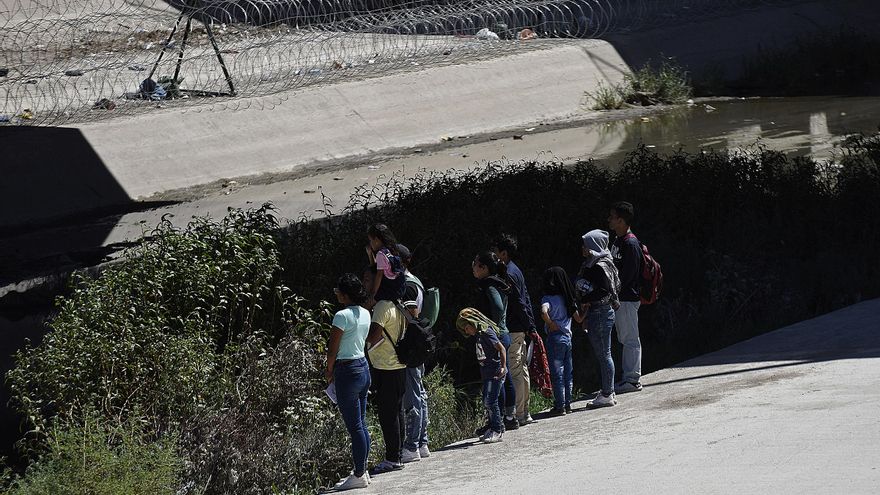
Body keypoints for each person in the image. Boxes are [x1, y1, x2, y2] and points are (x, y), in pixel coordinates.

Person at [325, 274, 372, 491]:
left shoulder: (341, 316)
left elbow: (332, 348)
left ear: (345, 294)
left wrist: (328, 370)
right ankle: (362, 469)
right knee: (361, 424)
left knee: (355, 427)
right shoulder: (365, 313)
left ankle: (359, 474)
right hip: (363, 366)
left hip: (347, 371)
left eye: (338, 292)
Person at [365, 266, 407, 475]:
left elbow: (373, 336)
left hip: (385, 367)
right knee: (396, 410)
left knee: (387, 414)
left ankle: (392, 458)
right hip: (398, 365)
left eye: (369, 281)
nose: (367, 286)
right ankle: (398, 454)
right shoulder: (397, 305)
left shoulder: (382, 306)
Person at [491, 234, 537, 425]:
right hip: (521, 327)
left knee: (515, 370)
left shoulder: (508, 273)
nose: (494, 255)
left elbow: (518, 302)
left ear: (504, 253)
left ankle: (519, 413)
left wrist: (528, 325)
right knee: (521, 369)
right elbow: (525, 299)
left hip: (514, 327)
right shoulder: (515, 270)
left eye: (496, 252)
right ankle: (524, 411)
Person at [471, 251, 518, 431]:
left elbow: (497, 308)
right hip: (504, 334)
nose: (473, 267)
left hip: (495, 336)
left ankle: (497, 422)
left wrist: (488, 326)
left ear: (484, 268)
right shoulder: (499, 282)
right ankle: (509, 417)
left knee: (496, 378)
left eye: (475, 263)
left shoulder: (489, 285)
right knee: (505, 377)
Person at [577, 229, 621, 408]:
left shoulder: (599, 266)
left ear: (593, 246)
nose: (582, 248)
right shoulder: (599, 262)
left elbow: (604, 291)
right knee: (605, 353)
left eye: (585, 245)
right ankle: (608, 389)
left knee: (604, 354)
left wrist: (585, 299)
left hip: (601, 312)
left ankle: (607, 393)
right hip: (602, 312)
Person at [397, 244, 430, 463]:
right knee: (419, 392)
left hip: (411, 346)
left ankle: (412, 445)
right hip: (418, 345)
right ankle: (423, 442)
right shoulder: (416, 280)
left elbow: (412, 312)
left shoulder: (407, 285)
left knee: (412, 396)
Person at [456, 308, 507, 444]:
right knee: (486, 399)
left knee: (491, 401)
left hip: (495, 372)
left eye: (467, 328)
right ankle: (493, 426)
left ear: (473, 323)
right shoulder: (479, 335)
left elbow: (501, 348)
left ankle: (497, 430)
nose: (467, 332)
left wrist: (503, 367)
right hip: (487, 373)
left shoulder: (486, 332)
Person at [608, 201, 644, 393]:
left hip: (627, 298)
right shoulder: (618, 240)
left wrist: (615, 291)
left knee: (630, 338)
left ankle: (632, 379)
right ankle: (628, 378)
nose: (609, 220)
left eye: (612, 217)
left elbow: (628, 276)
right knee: (624, 337)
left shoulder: (630, 244)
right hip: (620, 299)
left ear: (621, 220)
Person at [540, 267, 583, 416]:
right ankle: (568, 403)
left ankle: (560, 406)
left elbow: (543, 311)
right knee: (568, 373)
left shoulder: (547, 299)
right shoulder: (567, 298)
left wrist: (550, 323)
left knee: (557, 373)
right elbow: (578, 318)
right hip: (567, 338)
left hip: (555, 338)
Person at [365, 224, 405, 307]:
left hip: (388, 290)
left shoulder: (380, 254)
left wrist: (373, 294)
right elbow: (375, 267)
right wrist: (370, 254)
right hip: (399, 288)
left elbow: (379, 275)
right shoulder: (391, 250)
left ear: (376, 239)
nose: (370, 243)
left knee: (368, 303)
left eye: (370, 240)